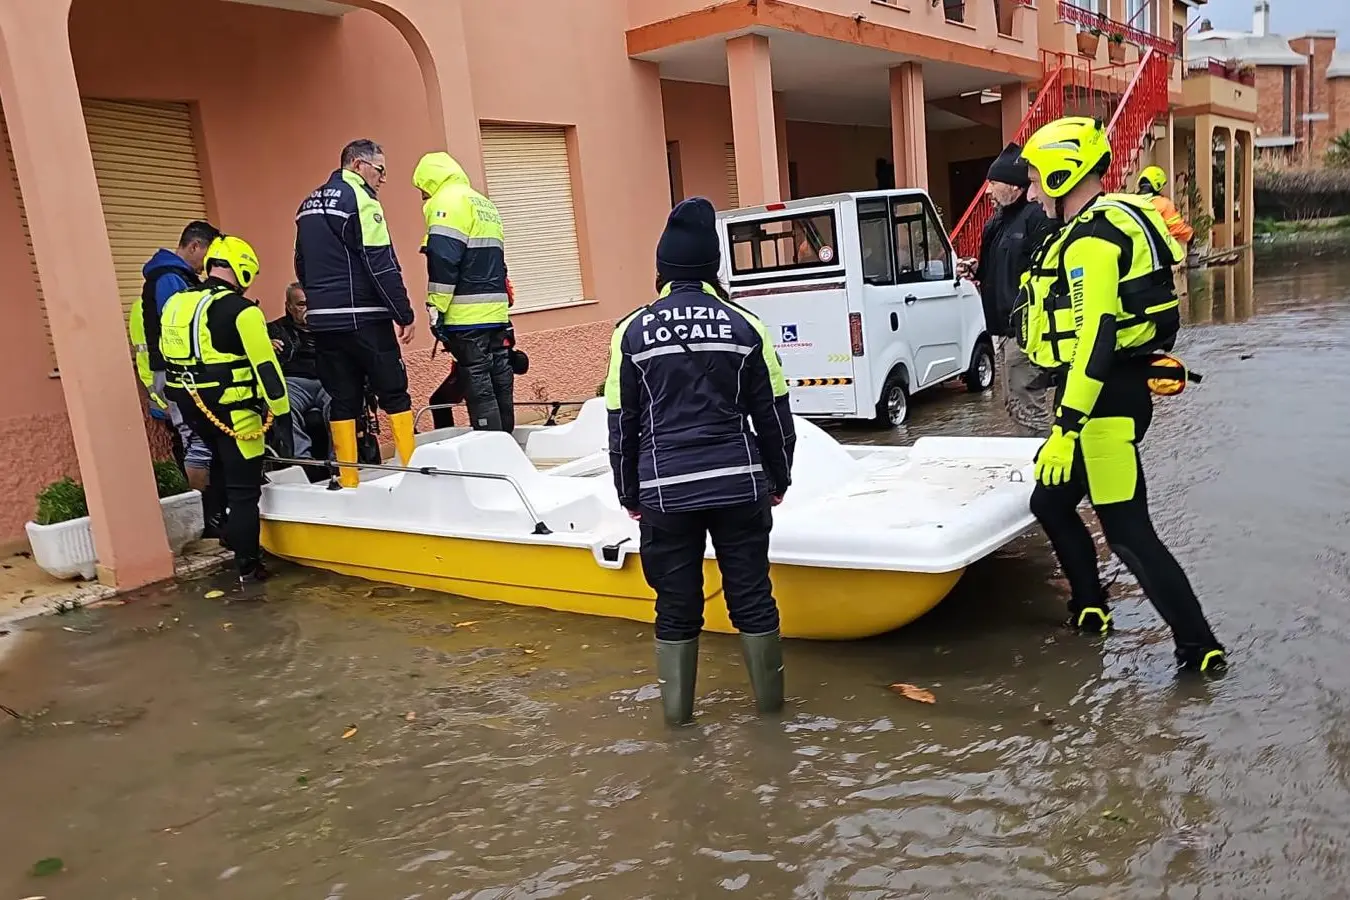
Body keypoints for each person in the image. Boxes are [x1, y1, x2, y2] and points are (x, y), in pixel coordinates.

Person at [1018, 117, 1226, 674]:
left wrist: (1065, 429)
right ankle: (1090, 605)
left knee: (1129, 536)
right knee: (1051, 503)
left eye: (1037, 180)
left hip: (1102, 401)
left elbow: (1095, 338)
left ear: (1063, 176)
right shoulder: (1105, 222)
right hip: (1109, 392)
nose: (1033, 192)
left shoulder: (1090, 241)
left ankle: (1199, 647)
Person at [605, 197, 797, 725]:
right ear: (712, 266)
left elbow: (621, 423)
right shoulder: (746, 326)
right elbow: (775, 415)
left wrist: (629, 493)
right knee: (753, 598)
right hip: (740, 486)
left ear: (662, 269)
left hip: (666, 494)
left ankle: (679, 724)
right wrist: (777, 478)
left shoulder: (632, 332)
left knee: (676, 605)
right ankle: (772, 719)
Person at [160, 235, 292, 584]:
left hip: (191, 406)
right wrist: (282, 413)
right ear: (244, 270)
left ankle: (225, 534)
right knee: (245, 490)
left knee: (217, 470)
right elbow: (267, 370)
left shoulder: (178, 302)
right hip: (236, 412)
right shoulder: (243, 311)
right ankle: (250, 566)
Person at [295, 139, 416, 487]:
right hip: (364, 316)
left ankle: (348, 478)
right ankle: (409, 469)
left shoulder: (307, 205)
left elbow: (300, 262)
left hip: (324, 321)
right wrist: (403, 312)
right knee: (393, 390)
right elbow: (380, 262)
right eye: (380, 171)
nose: (382, 179)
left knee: (342, 396)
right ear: (359, 164)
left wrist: (319, 301)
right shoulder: (360, 199)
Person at [957, 144, 1061, 435]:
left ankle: (1047, 469)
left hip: (1026, 332)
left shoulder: (1038, 217)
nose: (988, 191)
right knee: (1012, 403)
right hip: (1001, 330)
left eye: (993, 184)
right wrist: (976, 270)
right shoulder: (997, 222)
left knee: (1027, 406)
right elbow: (996, 268)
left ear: (1015, 186)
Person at [412, 151, 515, 433]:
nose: (422, 195)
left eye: (421, 188)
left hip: (466, 316)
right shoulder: (483, 203)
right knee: (501, 380)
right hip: (496, 313)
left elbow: (444, 259)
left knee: (478, 383)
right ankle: (507, 443)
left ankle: (491, 450)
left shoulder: (446, 203)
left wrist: (436, 307)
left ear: (430, 181)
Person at [128, 221, 223, 524]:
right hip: (179, 376)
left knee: (199, 440)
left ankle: (210, 511)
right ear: (194, 246)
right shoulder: (170, 279)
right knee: (196, 441)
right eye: (208, 253)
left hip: (174, 376)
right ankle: (204, 516)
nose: (209, 263)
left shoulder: (172, 277)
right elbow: (181, 329)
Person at [267, 283, 330, 460]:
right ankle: (302, 460)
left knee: (341, 403)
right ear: (289, 306)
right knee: (283, 405)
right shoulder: (275, 329)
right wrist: (267, 346)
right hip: (294, 382)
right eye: (302, 304)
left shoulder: (329, 328)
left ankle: (341, 459)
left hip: (327, 381)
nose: (308, 309)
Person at [1136, 165, 1194, 245]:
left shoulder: (1129, 201)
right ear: (1158, 185)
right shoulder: (1163, 204)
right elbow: (1177, 227)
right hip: (1159, 252)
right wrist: (1190, 235)